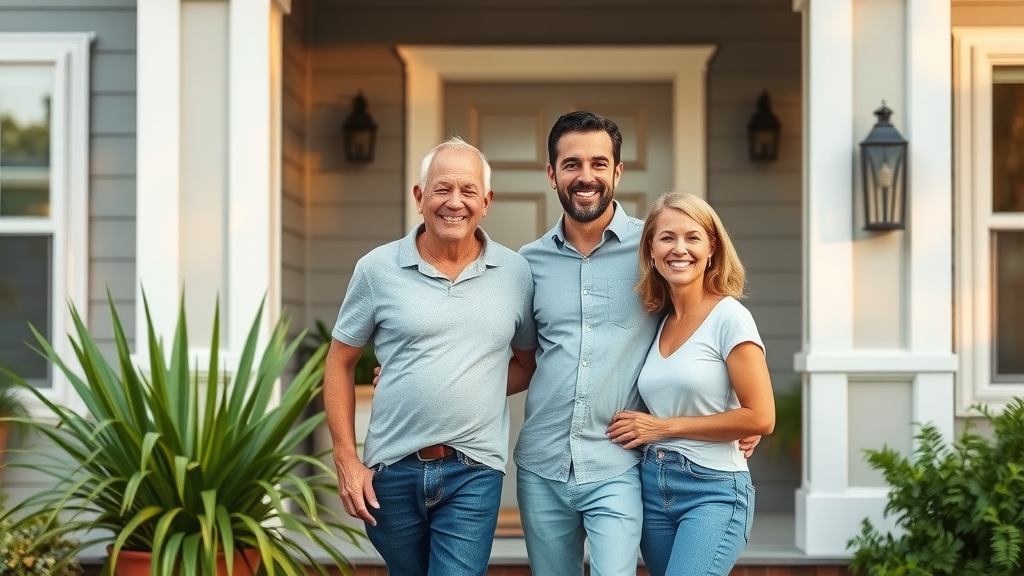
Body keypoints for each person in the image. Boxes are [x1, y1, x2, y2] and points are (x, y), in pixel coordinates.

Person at [322, 137, 538, 576]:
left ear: (487, 201)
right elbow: (339, 363)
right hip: (390, 473)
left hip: (473, 469)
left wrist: (459, 380)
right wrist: (347, 459)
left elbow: (526, 365)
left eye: (468, 190)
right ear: (420, 197)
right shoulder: (376, 269)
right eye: (441, 189)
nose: (454, 202)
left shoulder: (516, 274)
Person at [606, 191, 776, 576]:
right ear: (650, 249)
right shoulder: (658, 320)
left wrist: (663, 427)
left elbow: (762, 416)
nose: (679, 248)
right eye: (667, 237)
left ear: (712, 247)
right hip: (653, 485)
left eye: (692, 237)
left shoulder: (730, 317)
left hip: (712, 490)